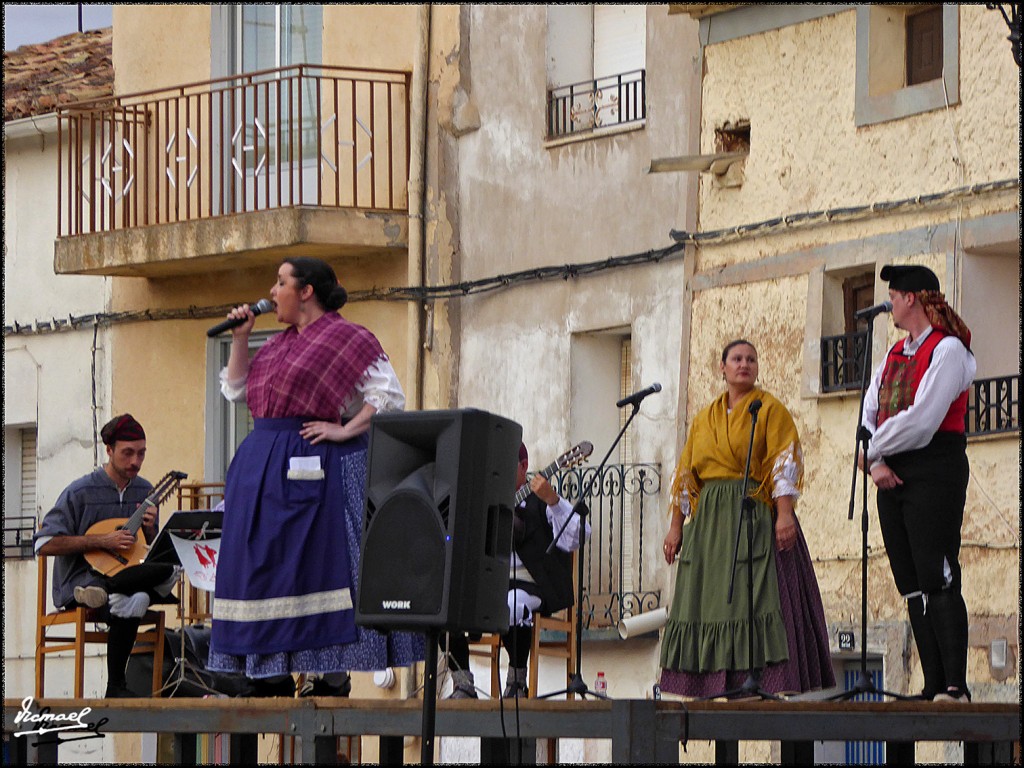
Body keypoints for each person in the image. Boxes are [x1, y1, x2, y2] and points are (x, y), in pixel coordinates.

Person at [207, 256, 423, 695]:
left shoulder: (349, 338)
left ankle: (330, 673)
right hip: (261, 471)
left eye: (281, 282)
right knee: (264, 568)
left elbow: (388, 395)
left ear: (306, 291)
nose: (271, 290)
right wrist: (241, 339)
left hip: (313, 471)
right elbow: (237, 390)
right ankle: (267, 669)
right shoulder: (277, 345)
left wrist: (344, 429)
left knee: (313, 569)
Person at [660, 340, 835, 698]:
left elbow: (782, 463)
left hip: (754, 514)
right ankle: (709, 682)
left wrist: (784, 515)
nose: (745, 364)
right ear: (722, 368)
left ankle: (759, 681)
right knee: (710, 603)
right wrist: (676, 527)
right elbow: (685, 476)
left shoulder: (770, 409)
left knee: (755, 598)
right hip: (710, 524)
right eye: (737, 359)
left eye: (751, 359)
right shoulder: (703, 418)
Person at [861, 264, 975, 703]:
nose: (890, 301)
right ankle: (931, 685)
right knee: (910, 581)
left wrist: (873, 450)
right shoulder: (893, 355)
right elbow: (868, 414)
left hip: (934, 468)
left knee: (938, 574)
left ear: (912, 299)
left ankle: (955, 685)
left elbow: (923, 422)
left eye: (894, 294)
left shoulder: (949, 352)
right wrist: (873, 464)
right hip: (890, 472)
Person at [34, 414, 178, 698]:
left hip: (126, 579)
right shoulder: (81, 491)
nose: (135, 461)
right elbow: (44, 543)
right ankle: (100, 589)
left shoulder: (144, 490)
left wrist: (150, 530)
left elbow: (147, 550)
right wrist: (101, 540)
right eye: (127, 453)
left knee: (166, 572)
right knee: (139, 594)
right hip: (80, 580)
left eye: (141, 453)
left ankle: (116, 687)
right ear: (109, 450)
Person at [442, 442, 589, 699]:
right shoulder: (483, 501)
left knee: (511, 606)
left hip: (531, 582)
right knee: (445, 608)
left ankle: (517, 682)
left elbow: (577, 536)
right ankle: (463, 682)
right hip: (489, 583)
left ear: (524, 467)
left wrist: (552, 500)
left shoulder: (541, 499)